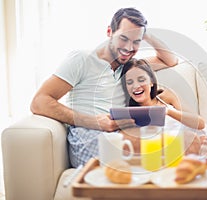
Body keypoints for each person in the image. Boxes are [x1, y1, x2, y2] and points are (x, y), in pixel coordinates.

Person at [30, 7, 178, 167]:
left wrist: (144, 33)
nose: (129, 48)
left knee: (177, 140)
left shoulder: (129, 69)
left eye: (136, 41)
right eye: (124, 38)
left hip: (121, 134)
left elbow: (170, 60)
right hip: (89, 135)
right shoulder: (81, 59)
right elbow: (39, 102)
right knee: (171, 146)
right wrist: (94, 121)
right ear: (109, 32)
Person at [120, 58, 207, 154]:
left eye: (141, 80)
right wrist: (194, 143)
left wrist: (168, 112)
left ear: (151, 82)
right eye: (129, 82)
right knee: (203, 151)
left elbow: (200, 123)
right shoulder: (130, 115)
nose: (136, 86)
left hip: (206, 137)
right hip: (182, 149)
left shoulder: (166, 96)